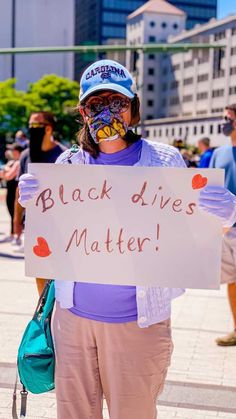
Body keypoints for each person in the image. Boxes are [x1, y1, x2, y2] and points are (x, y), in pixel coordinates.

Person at [18, 60, 236, 419]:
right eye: (95, 103)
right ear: (83, 112)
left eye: (116, 101)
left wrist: (224, 217)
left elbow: (190, 232)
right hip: (72, 322)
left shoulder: (163, 160)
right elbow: (50, 244)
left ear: (133, 108)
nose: (106, 111)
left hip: (139, 322)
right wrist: (35, 206)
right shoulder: (69, 165)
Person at [14, 111, 66, 295]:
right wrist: (16, 223)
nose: (31, 129)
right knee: (41, 282)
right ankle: (44, 319)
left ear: (48, 128)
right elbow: (19, 190)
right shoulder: (26, 155)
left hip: (61, 229)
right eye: (30, 125)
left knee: (61, 284)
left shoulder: (64, 156)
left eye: (36, 125)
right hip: (36, 228)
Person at [209, 104, 236, 346]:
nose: (224, 122)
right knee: (232, 280)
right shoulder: (219, 153)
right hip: (226, 231)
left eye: (228, 118)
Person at [0, 144, 24, 244]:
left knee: (15, 215)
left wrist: (5, 171)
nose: (11, 152)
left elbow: (8, 176)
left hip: (15, 191)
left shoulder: (18, 162)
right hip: (11, 191)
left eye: (12, 150)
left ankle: (17, 236)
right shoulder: (13, 162)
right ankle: (13, 234)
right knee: (12, 214)